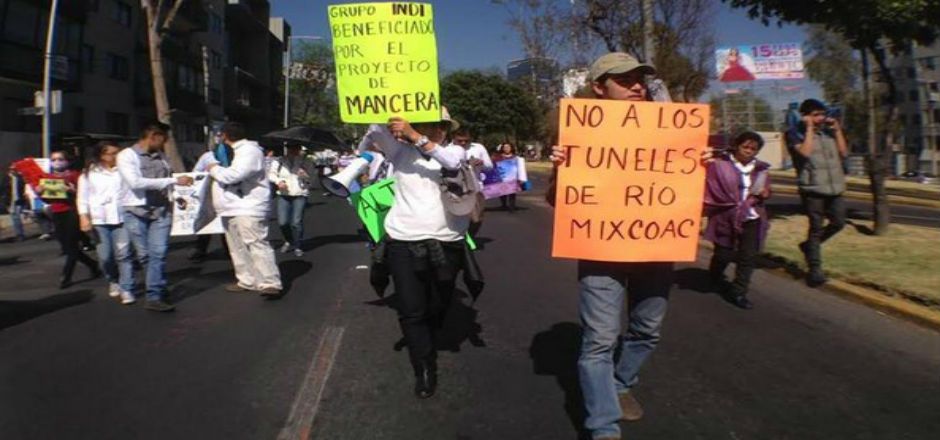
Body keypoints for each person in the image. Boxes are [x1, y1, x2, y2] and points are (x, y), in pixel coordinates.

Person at [547, 52, 713, 440]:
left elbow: (689, 197)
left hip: (655, 250)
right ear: (599, 88)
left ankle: (620, 384)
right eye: (624, 79)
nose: (636, 85)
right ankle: (603, 427)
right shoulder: (579, 133)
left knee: (646, 329)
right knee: (599, 340)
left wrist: (698, 163)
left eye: (640, 78)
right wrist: (561, 168)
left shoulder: (672, 132)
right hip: (600, 253)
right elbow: (561, 200)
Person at [359, 106, 469, 399]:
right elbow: (369, 139)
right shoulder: (399, 153)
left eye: (440, 125)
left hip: (446, 241)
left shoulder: (455, 153)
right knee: (411, 308)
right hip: (403, 240)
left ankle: (430, 331)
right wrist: (384, 114)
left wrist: (415, 135)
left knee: (440, 300)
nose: (437, 129)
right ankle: (423, 367)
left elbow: (450, 163)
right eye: (427, 124)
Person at [117, 123, 194, 312]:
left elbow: (166, 180)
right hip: (136, 211)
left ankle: (154, 295)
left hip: (161, 211)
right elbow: (135, 182)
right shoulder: (127, 156)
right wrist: (174, 180)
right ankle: (158, 283)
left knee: (158, 254)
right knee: (145, 255)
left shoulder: (161, 157)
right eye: (163, 139)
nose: (165, 143)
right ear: (153, 136)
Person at [206, 122, 283, 297]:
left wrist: (213, 168)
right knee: (237, 247)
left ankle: (270, 282)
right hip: (231, 206)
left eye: (219, 135)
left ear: (225, 135)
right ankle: (247, 280)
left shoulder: (249, 151)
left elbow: (234, 175)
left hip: (249, 206)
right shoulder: (230, 151)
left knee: (256, 244)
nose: (218, 139)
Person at [704, 131, 772, 310]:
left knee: (748, 256)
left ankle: (739, 292)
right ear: (736, 146)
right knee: (724, 253)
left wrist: (765, 193)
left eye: (753, 149)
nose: (749, 151)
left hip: (751, 216)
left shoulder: (761, 169)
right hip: (725, 216)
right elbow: (710, 186)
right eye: (745, 147)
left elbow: (767, 189)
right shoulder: (720, 165)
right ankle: (714, 274)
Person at [785, 98, 848, 287]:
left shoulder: (829, 133)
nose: (820, 118)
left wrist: (837, 131)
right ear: (805, 117)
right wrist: (809, 129)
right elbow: (805, 153)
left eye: (822, 114)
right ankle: (815, 270)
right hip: (812, 190)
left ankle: (807, 247)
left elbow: (844, 153)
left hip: (835, 188)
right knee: (816, 229)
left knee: (838, 223)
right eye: (815, 115)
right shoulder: (794, 133)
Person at [77, 141, 135, 304]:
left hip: (123, 218)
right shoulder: (89, 173)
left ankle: (127, 288)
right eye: (112, 153)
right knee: (105, 257)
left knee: (124, 255)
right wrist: (84, 216)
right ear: (102, 155)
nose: (116, 156)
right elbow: (82, 198)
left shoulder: (125, 171)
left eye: (118, 152)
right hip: (100, 220)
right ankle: (113, 280)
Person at [37, 150, 101, 289]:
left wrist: (73, 191)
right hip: (57, 213)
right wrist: (40, 193)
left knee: (71, 246)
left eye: (60, 159)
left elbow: (85, 195)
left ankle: (66, 276)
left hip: (73, 212)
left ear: (67, 161)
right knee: (66, 246)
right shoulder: (49, 177)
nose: (57, 162)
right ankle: (92, 264)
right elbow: (48, 199)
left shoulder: (75, 176)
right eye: (53, 159)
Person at [188, 139, 233, 262]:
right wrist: (207, 173)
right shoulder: (207, 157)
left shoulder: (237, 157)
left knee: (226, 224)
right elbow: (195, 173)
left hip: (227, 195)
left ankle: (230, 250)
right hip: (209, 196)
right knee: (206, 223)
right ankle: (200, 250)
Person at [268, 144, 315, 257]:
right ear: (287, 149)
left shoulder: (306, 161)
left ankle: (298, 245)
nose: (293, 151)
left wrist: (305, 175)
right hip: (284, 194)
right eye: (291, 148)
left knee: (296, 222)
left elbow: (312, 178)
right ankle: (289, 240)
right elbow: (271, 174)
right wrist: (279, 181)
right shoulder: (279, 161)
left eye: (296, 149)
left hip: (300, 193)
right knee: (283, 222)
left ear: (299, 150)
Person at [449, 128, 491, 236]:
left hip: (475, 187)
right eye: (460, 140)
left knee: (476, 218)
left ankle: (470, 236)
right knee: (455, 216)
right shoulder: (446, 149)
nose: (463, 143)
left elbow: (489, 167)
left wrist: (481, 163)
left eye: (466, 141)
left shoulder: (478, 148)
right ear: (453, 139)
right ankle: (460, 237)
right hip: (455, 188)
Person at [491, 142, 528, 212]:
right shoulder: (498, 157)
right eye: (505, 147)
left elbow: (521, 168)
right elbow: (493, 165)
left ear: (511, 148)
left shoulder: (516, 158)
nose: (506, 149)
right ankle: (504, 205)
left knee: (512, 193)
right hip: (502, 178)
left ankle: (512, 207)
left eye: (508, 147)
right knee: (502, 192)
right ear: (502, 148)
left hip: (513, 178)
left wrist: (521, 178)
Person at [7, 167, 28, 241]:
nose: (13, 171)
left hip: (20, 200)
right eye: (12, 169)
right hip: (11, 201)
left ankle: (20, 234)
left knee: (17, 216)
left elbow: (24, 188)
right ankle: (19, 234)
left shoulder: (20, 178)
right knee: (15, 217)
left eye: (15, 169)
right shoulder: (6, 179)